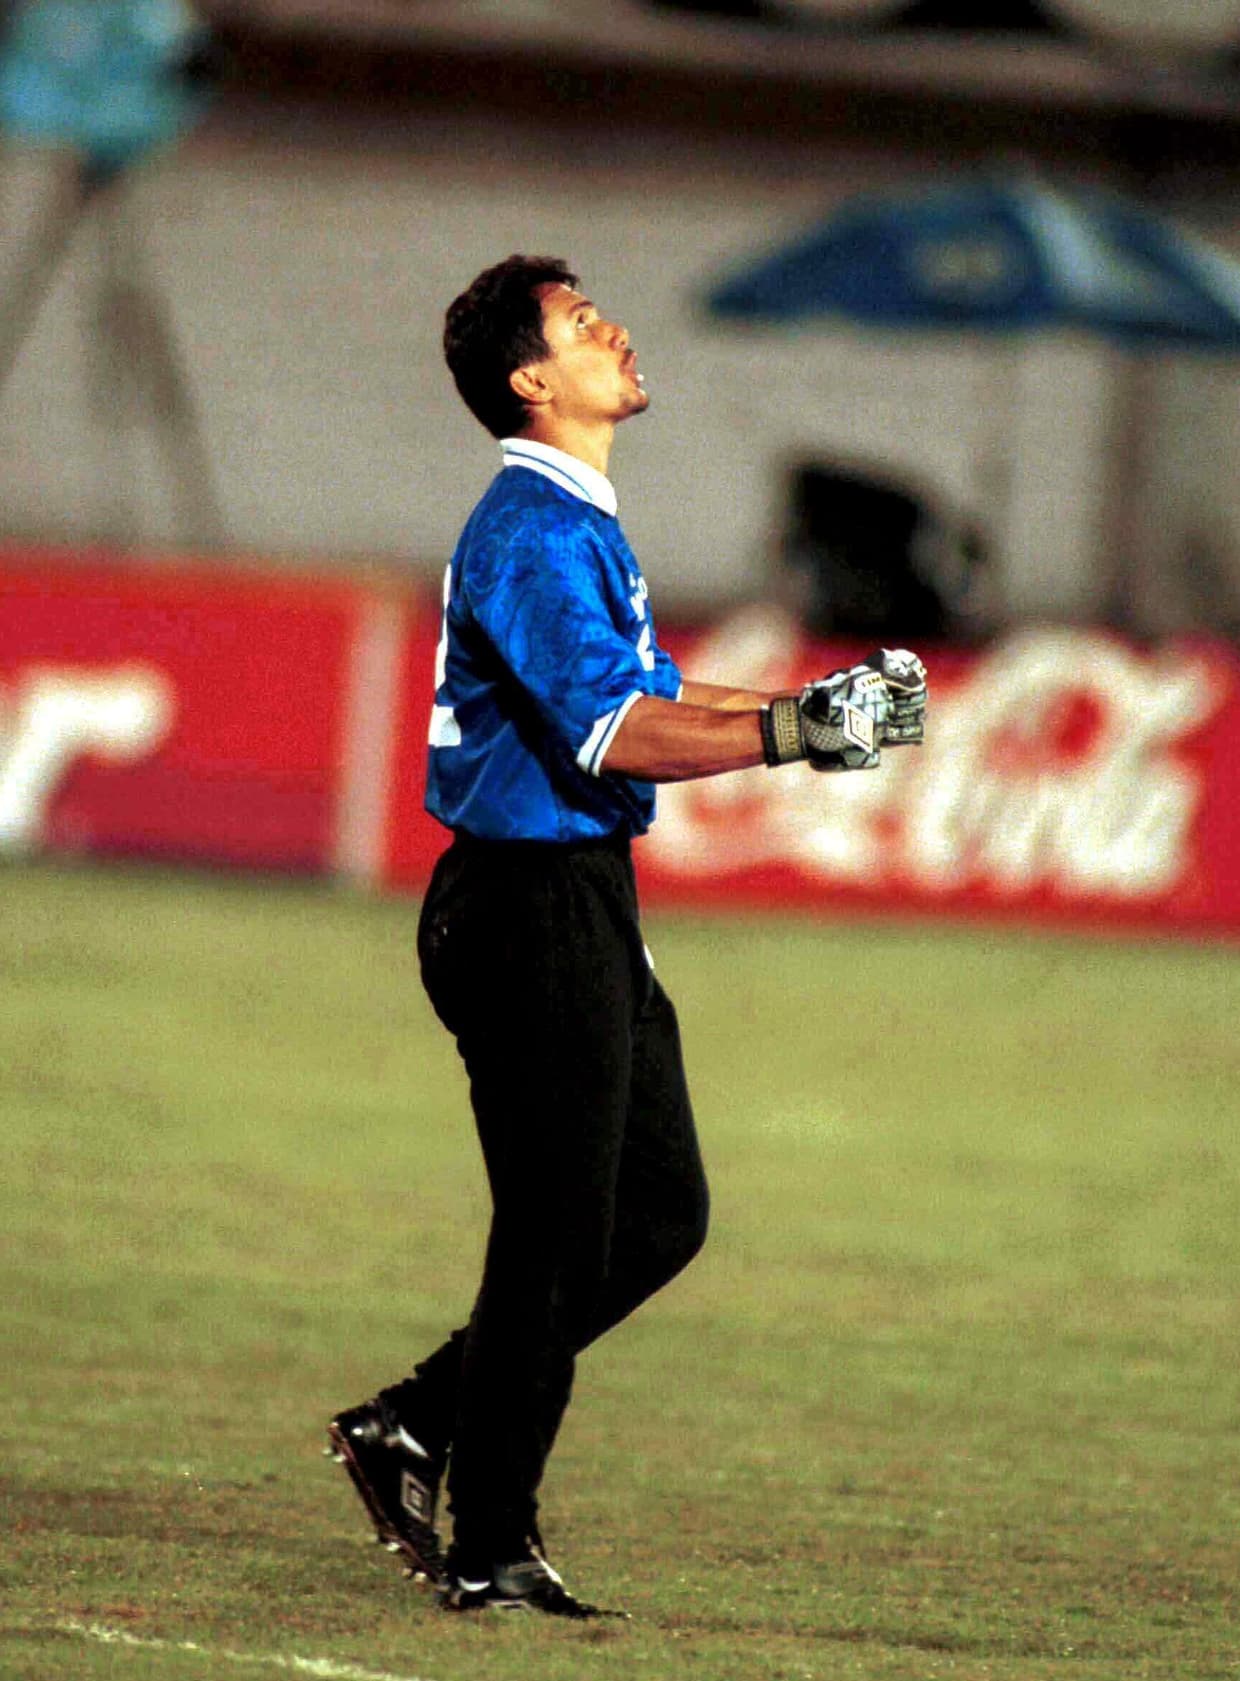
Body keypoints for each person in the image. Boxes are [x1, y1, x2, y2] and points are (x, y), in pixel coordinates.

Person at [327, 255, 927, 1620]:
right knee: (552, 1230)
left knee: (655, 1209)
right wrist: (794, 735)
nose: (617, 331)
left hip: (573, 892)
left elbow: (646, 686)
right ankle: (492, 1540)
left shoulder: (573, 518)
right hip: (527, 902)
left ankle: (417, 1422)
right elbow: (615, 731)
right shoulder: (533, 529)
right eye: (584, 324)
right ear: (533, 382)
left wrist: (806, 706)